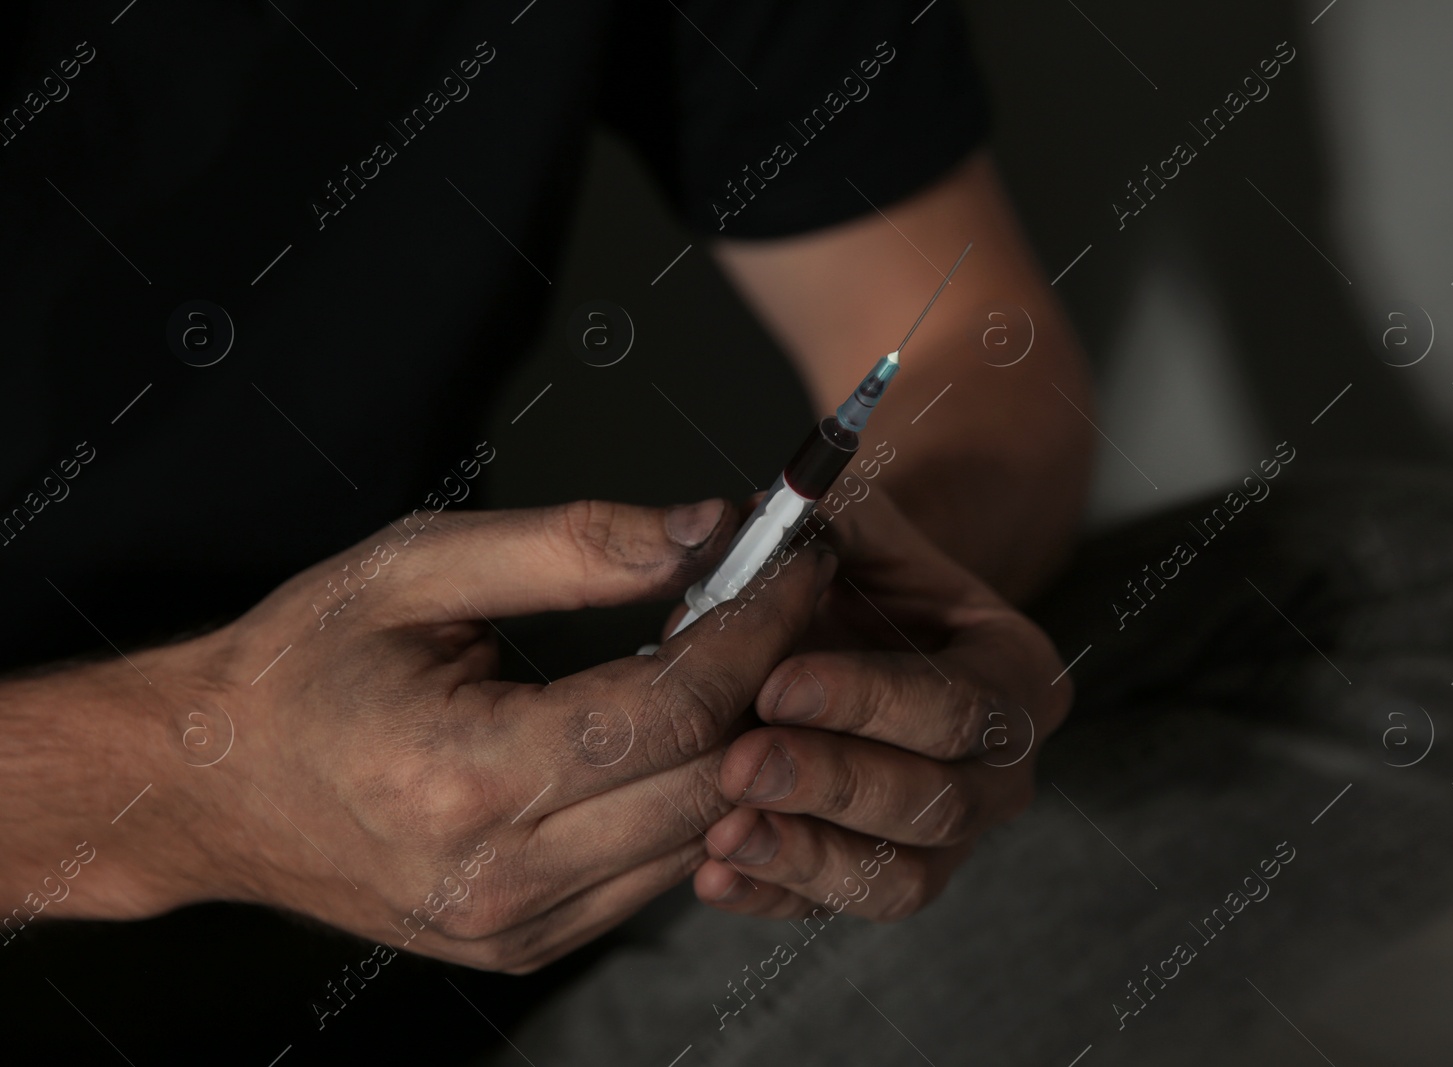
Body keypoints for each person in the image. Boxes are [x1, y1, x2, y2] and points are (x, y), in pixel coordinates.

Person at [0, 1, 1093, 1061]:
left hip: (485, 880)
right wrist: (194, 779)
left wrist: (870, 603)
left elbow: (968, 344)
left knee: (1250, 649)